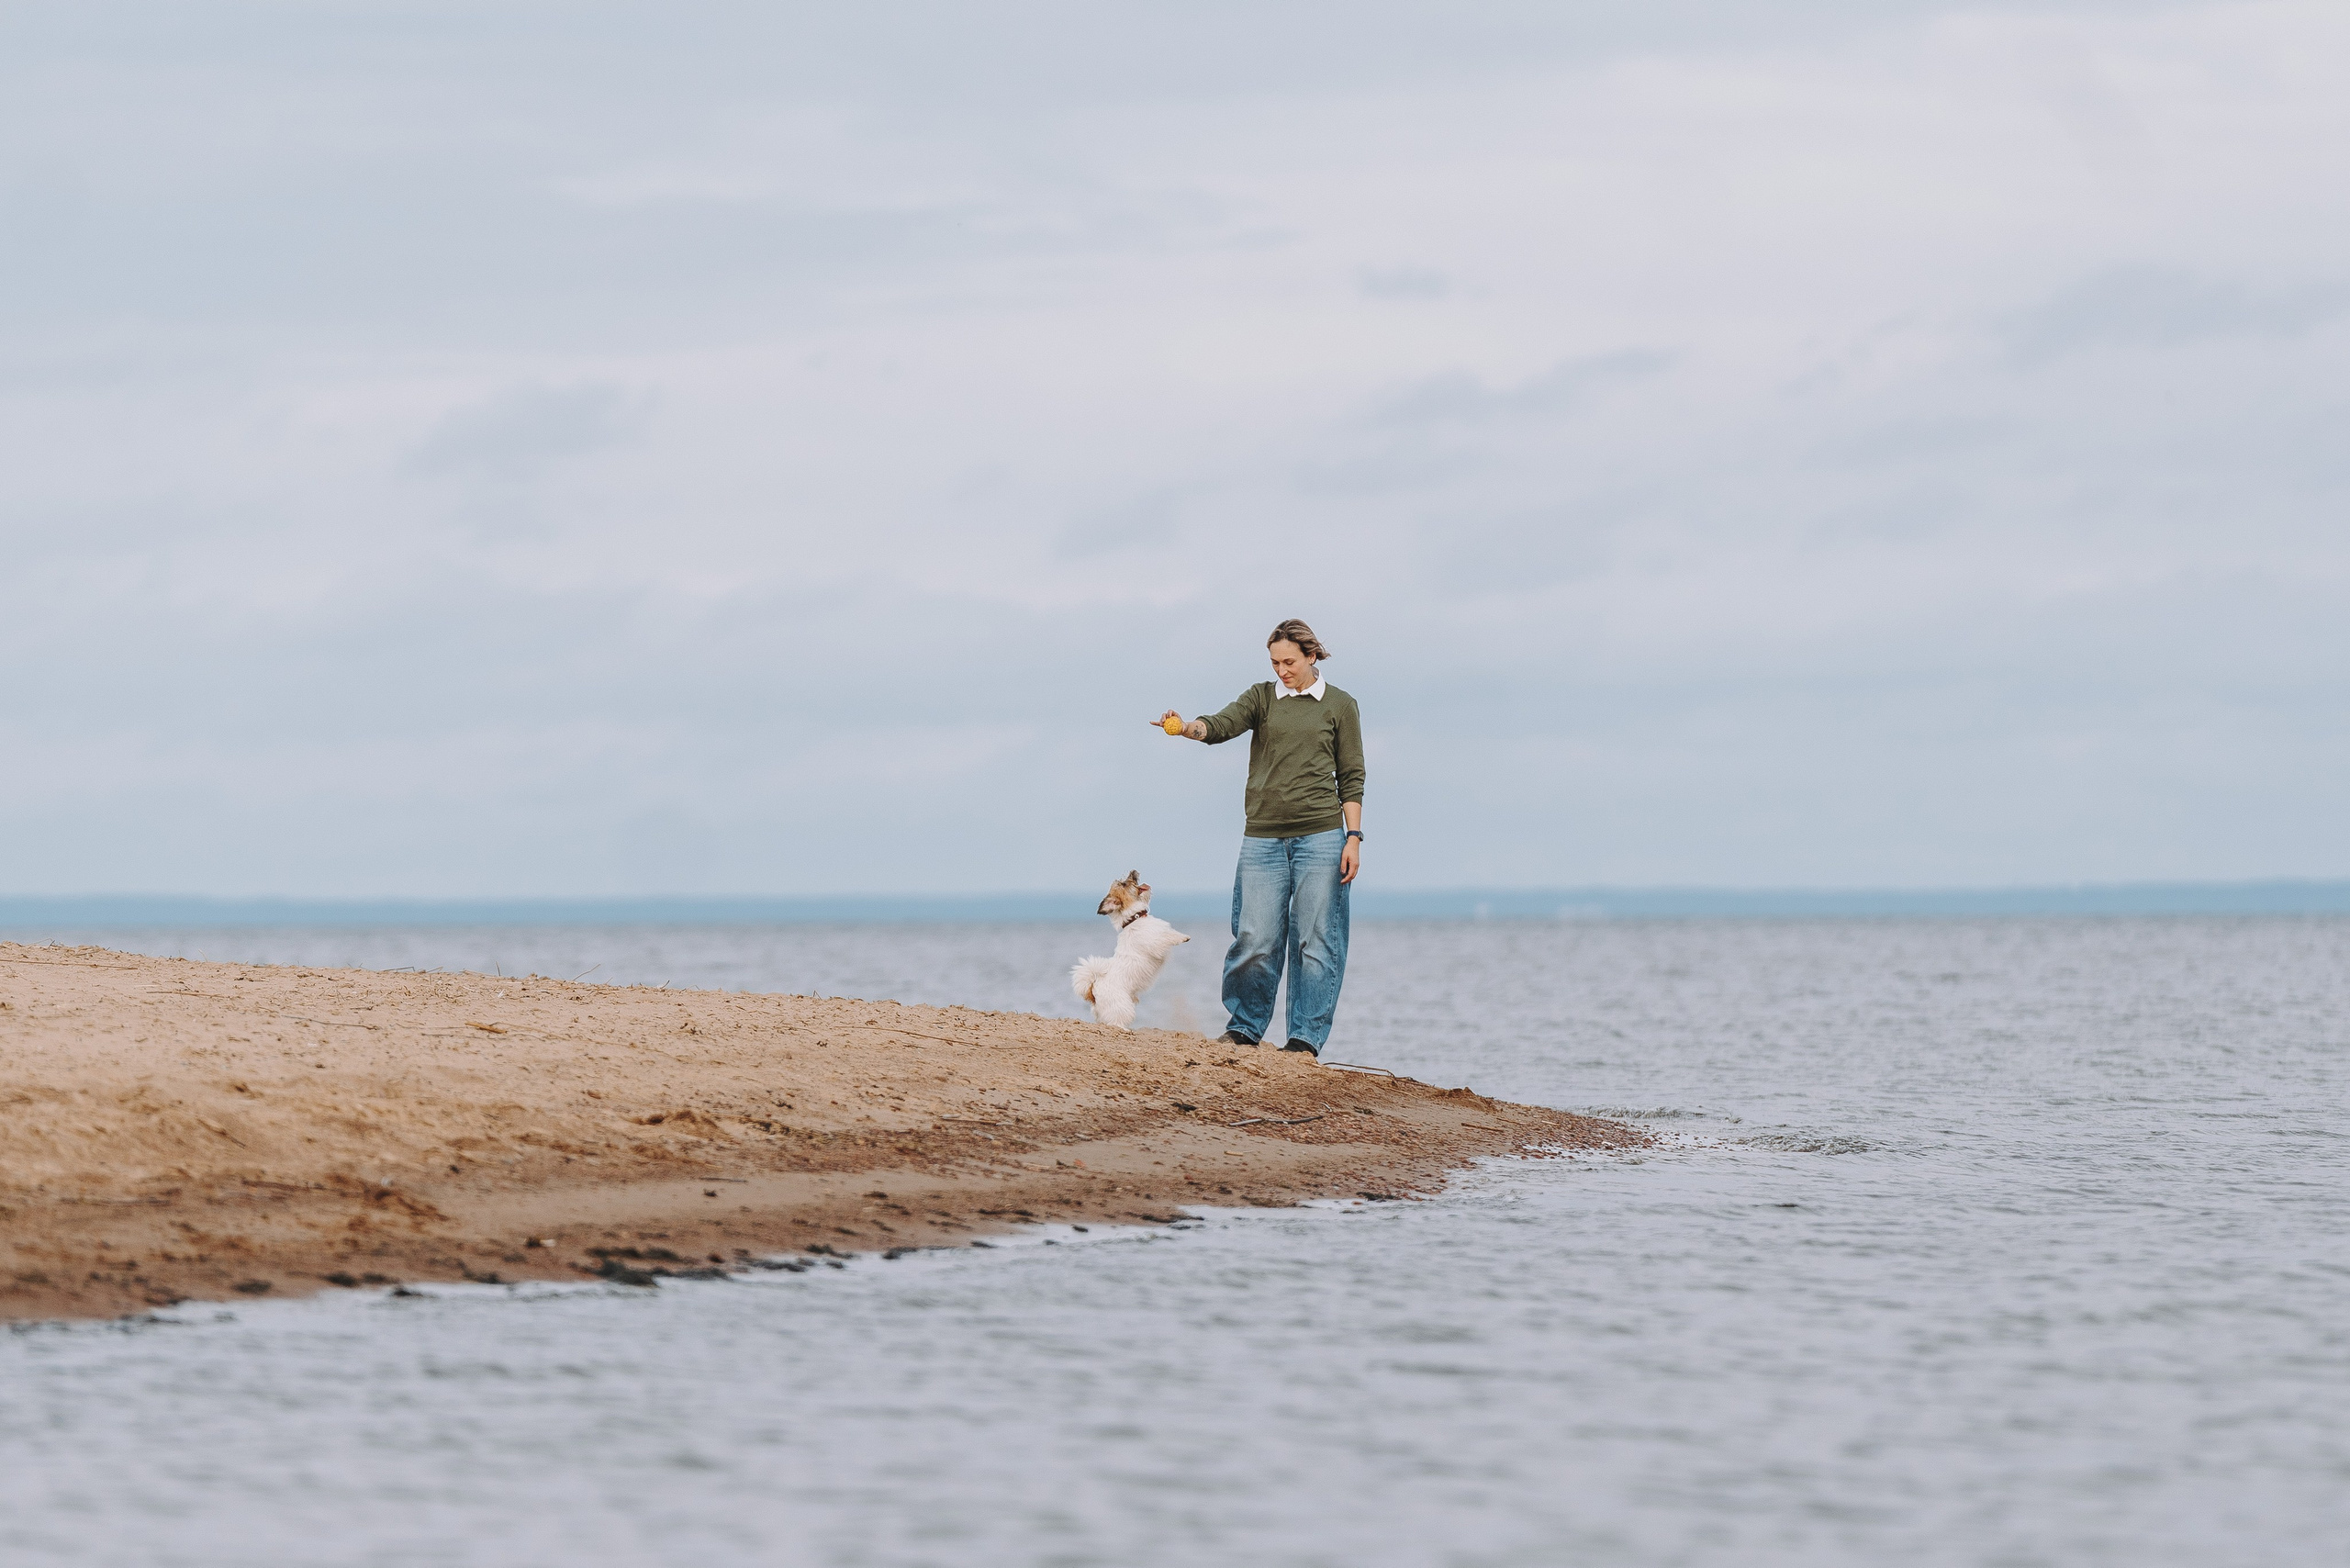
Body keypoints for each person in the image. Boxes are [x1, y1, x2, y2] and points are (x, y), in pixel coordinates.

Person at [1157, 618, 1365, 1055]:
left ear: (1312, 656)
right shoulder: (1261, 698)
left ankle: (1304, 1040)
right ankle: (1244, 1028)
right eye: (1274, 662)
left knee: (1316, 941)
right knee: (1254, 938)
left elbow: (1351, 776)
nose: (1281, 670)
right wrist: (1186, 726)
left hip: (1322, 837)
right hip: (1263, 838)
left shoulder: (1341, 705)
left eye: (1289, 661)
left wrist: (1354, 837)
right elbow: (1220, 725)